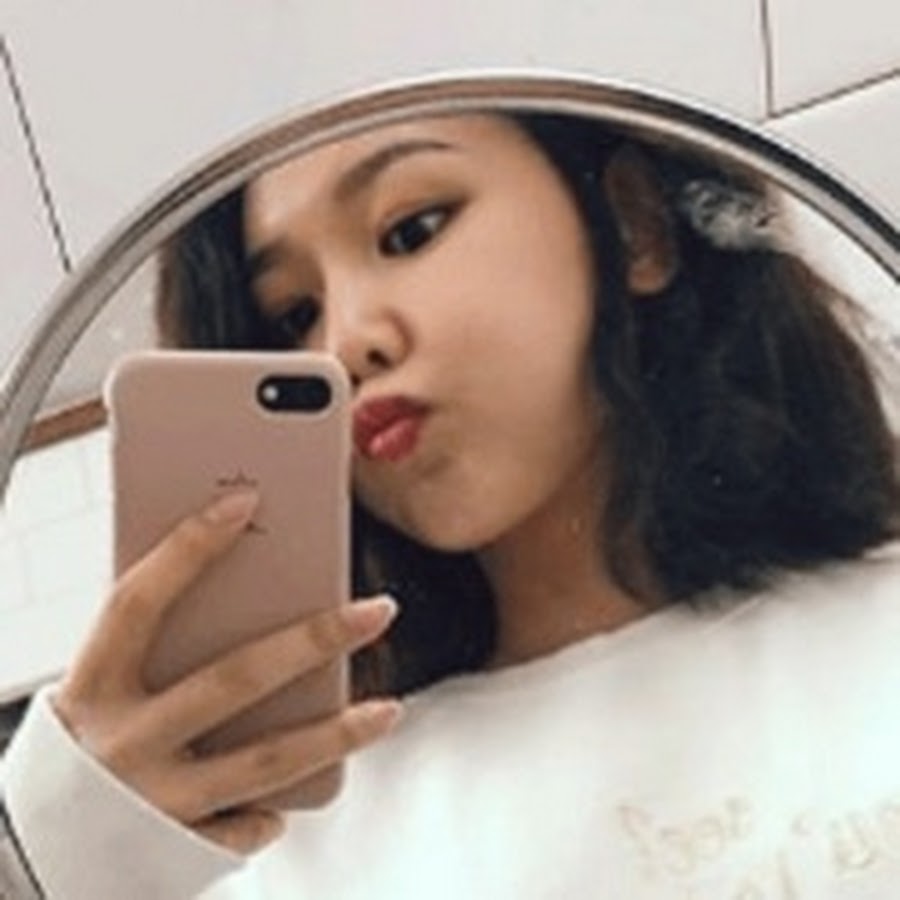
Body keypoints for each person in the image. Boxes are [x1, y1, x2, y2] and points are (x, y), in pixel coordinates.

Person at [3, 110, 900, 899]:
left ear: (633, 224)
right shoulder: (293, 849)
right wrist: (48, 846)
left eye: (411, 231)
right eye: (292, 315)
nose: (346, 340)